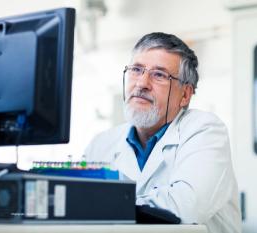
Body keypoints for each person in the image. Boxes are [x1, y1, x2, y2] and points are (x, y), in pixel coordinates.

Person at [85, 32, 241, 233]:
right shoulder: (101, 143)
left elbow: (186, 207)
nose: (142, 83)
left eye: (159, 75)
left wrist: (101, 203)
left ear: (185, 95)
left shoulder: (205, 130)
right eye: (136, 69)